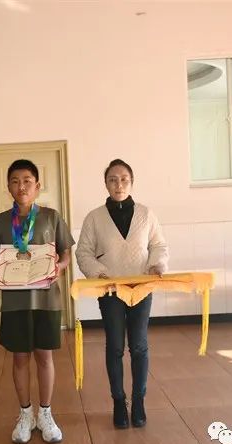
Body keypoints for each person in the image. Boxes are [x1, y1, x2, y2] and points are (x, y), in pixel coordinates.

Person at [0, 159, 74, 444]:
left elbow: (66, 253)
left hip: (46, 301)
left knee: (45, 357)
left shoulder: (51, 217)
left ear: (37, 186)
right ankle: (25, 415)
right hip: (14, 303)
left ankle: (45, 414)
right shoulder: (0, 222)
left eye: (27, 181)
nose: (21, 186)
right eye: (15, 181)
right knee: (20, 358)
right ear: (8, 187)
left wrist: (59, 267)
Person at [75, 158, 169, 429]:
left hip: (141, 288)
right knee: (115, 346)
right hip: (110, 290)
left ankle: (139, 401)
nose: (119, 184)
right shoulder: (94, 217)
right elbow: (83, 252)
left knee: (139, 345)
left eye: (124, 179)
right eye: (113, 180)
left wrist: (157, 265)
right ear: (106, 184)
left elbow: (158, 245)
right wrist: (98, 272)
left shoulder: (146, 214)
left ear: (132, 182)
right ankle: (118, 400)